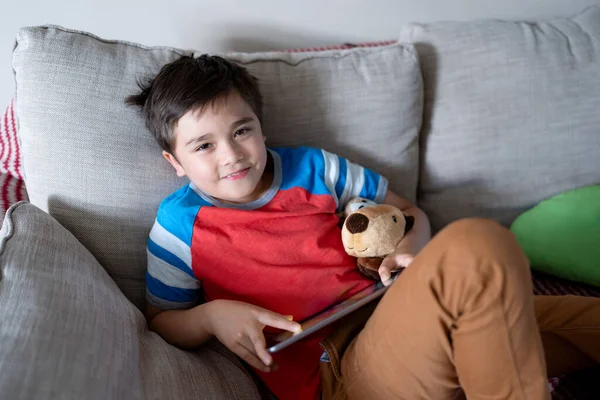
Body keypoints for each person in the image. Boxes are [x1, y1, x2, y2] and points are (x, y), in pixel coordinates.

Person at [126, 55, 600, 400]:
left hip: (397, 311)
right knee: (479, 241)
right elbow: (161, 319)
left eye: (241, 130)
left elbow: (410, 212)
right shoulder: (178, 225)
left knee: (503, 276)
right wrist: (212, 317)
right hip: (337, 370)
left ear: (261, 127)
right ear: (176, 163)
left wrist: (406, 251)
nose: (231, 154)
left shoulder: (314, 169)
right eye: (203, 146)